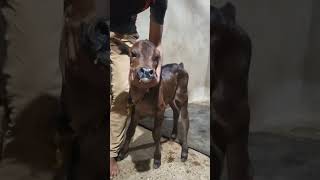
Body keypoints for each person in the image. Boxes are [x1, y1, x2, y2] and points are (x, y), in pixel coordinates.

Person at [110, 0, 167, 177]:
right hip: (90, 26)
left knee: (123, 89)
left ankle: (110, 152)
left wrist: (155, 73)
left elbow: (155, 43)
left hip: (124, 37)